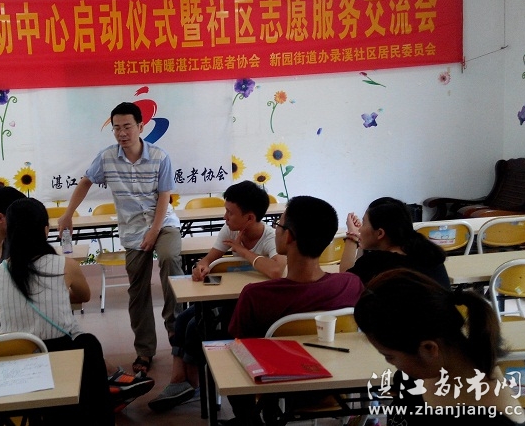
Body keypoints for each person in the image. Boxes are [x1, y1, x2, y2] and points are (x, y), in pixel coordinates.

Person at [0, 198, 152, 423]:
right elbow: (84, 296)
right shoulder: (65, 265)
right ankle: (107, 395)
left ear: (9, 231)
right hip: (62, 357)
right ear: (45, 230)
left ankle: (113, 385)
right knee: (89, 344)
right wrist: (56, 294)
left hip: (14, 361)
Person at [57, 101, 183, 375]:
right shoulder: (106, 158)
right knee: (137, 290)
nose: (122, 133)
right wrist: (68, 214)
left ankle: (177, 331)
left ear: (141, 127)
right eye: (116, 128)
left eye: (127, 127)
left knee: (170, 258)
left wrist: (154, 231)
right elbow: (85, 182)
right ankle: (145, 350)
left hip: (163, 223)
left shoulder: (160, 157)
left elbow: (164, 197)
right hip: (132, 230)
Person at [223, 196, 365, 425]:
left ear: (288, 236)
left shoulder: (256, 295)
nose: (275, 230)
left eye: (278, 225)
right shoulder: (350, 285)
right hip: (337, 382)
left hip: (278, 387)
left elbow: (241, 348)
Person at [148, 180, 286, 412]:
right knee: (183, 320)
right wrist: (201, 267)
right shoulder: (230, 229)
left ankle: (192, 384)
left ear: (249, 218)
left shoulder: (269, 237)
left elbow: (276, 270)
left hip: (250, 308)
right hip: (226, 301)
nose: (225, 217)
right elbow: (209, 258)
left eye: (230, 212)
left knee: (194, 326)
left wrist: (242, 251)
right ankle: (181, 380)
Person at [354, 268, 525, 425]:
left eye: (389, 356)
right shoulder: (420, 374)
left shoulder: (492, 419)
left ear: (429, 348)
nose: (391, 364)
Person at [339, 197, 450, 289]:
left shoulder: (376, 263)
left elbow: (345, 279)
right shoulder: (430, 252)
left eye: (364, 223)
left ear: (380, 233)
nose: (360, 229)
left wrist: (352, 235)